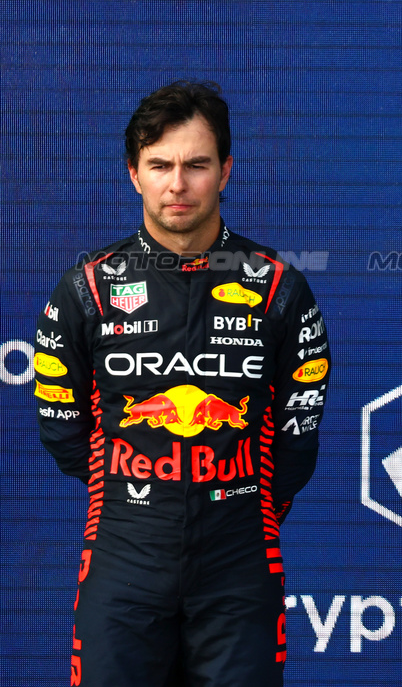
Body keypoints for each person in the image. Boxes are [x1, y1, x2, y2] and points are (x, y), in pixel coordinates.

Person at [34, 81, 330, 686]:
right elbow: (63, 433)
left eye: (196, 164)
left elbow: (297, 442)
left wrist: (240, 504)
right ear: (133, 174)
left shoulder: (278, 288)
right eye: (160, 165)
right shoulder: (88, 289)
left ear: (225, 172)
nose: (178, 184)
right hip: (124, 555)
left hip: (241, 561)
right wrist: (139, 494)